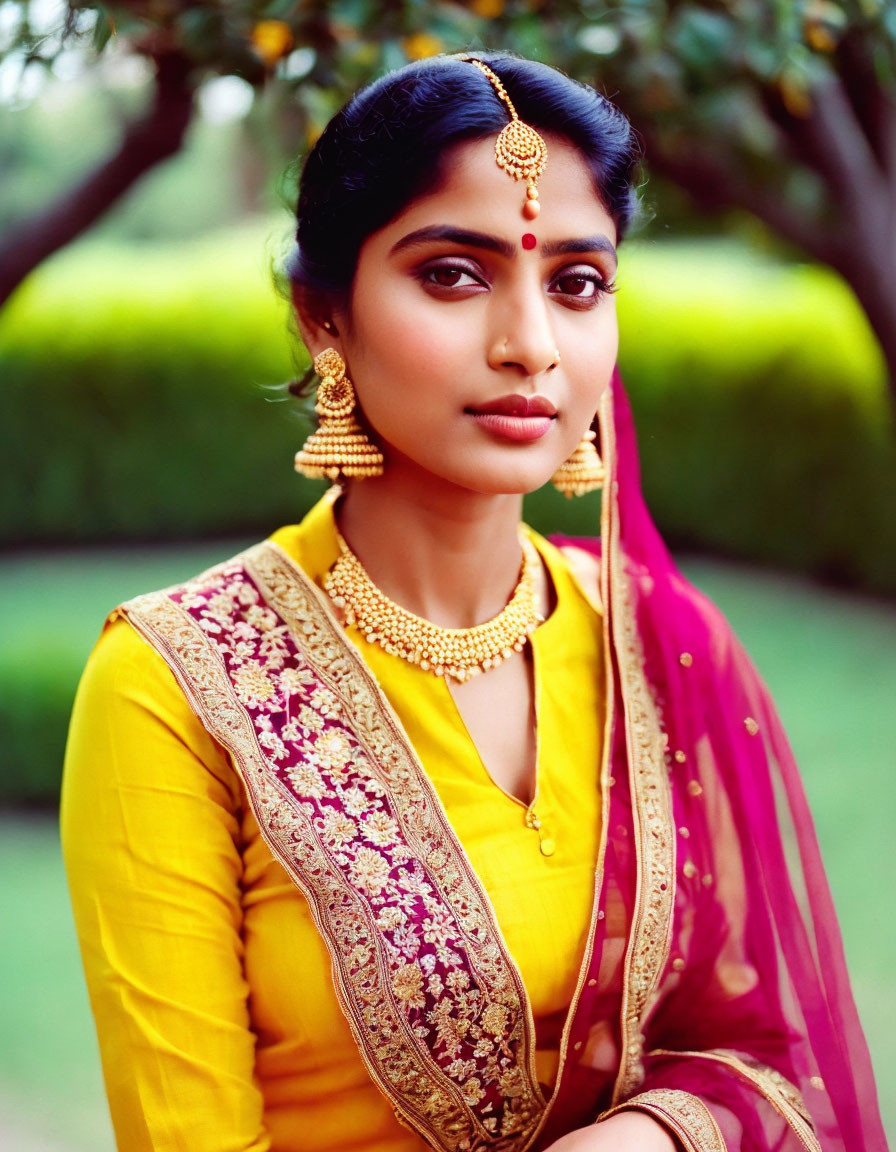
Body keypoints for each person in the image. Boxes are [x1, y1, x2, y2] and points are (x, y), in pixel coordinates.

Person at [61, 52, 886, 1152]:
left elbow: (769, 1054)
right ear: (325, 315)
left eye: (576, 283)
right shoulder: (176, 682)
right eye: (452, 273)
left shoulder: (660, 645)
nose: (531, 346)